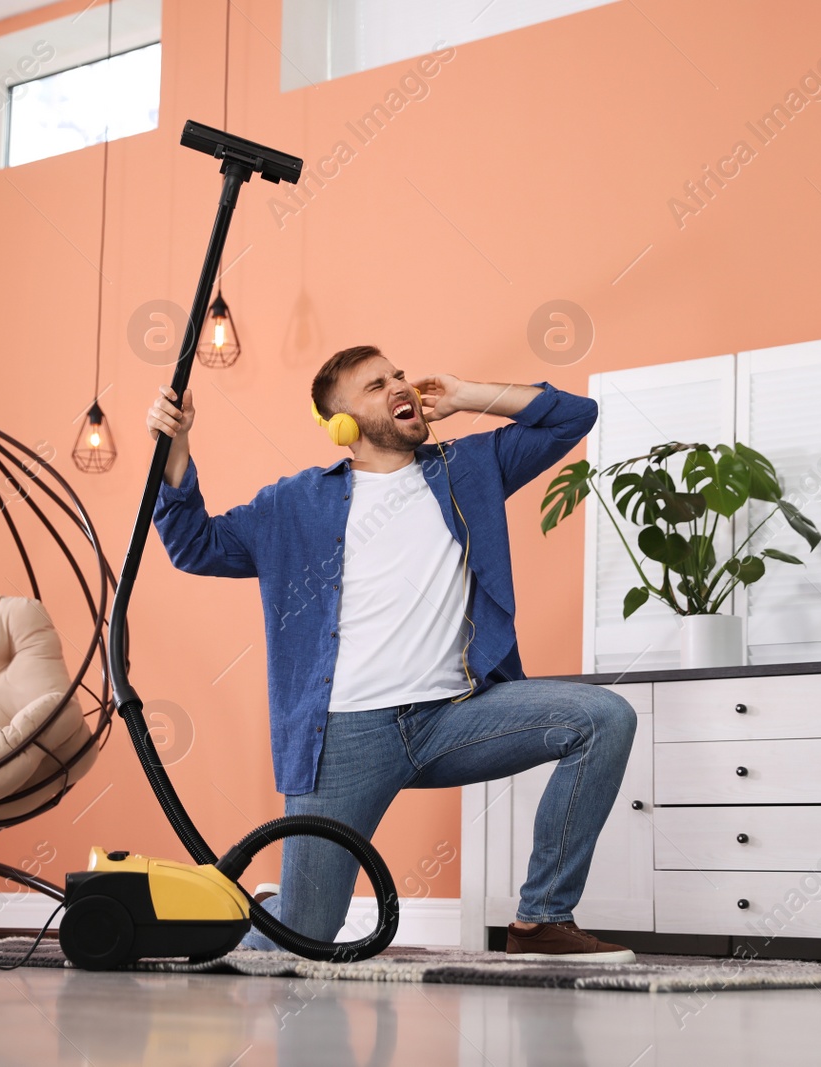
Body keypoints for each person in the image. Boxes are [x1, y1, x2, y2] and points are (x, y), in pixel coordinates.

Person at [146, 344, 638, 960]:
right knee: (300, 942)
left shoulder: (470, 467)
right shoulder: (293, 504)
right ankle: (279, 906)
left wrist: (465, 394)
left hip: (453, 718)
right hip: (344, 739)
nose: (399, 385)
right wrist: (177, 446)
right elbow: (196, 546)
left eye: (398, 374)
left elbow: (574, 416)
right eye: (376, 386)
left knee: (603, 718)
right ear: (341, 425)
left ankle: (541, 921)